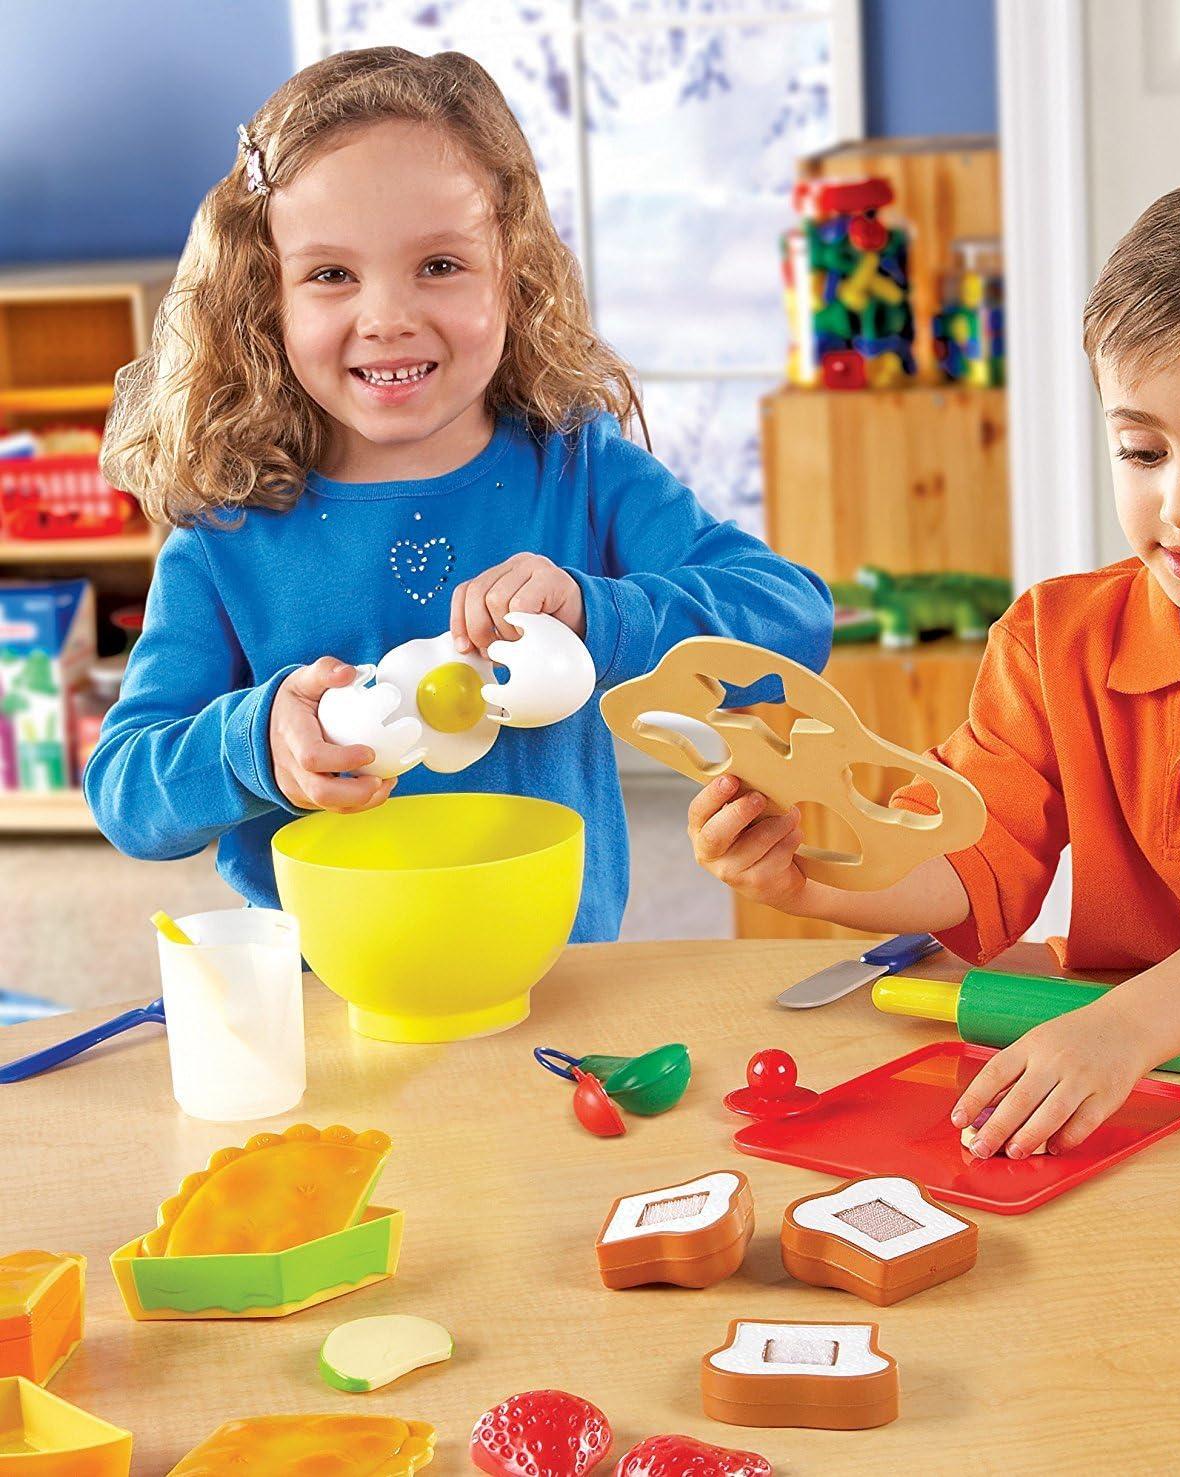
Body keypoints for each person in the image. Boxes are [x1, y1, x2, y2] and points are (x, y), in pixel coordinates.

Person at [688, 162, 1180, 1155]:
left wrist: (1125, 1027)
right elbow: (972, 855)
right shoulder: (1051, 637)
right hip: (1134, 1077)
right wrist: (806, 878)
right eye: (1142, 451)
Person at [87, 46, 832, 942]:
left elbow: (793, 617)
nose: (388, 318)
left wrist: (598, 614)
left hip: (555, 971)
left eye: (439, 264)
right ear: (266, 296)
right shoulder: (226, 531)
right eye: (331, 274)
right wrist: (256, 743)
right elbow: (127, 791)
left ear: (513, 272)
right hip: (328, 985)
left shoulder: (578, 470)